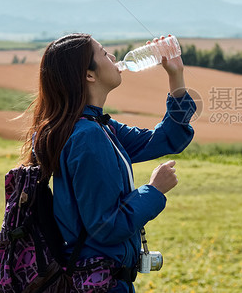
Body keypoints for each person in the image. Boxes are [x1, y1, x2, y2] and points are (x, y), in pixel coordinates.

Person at [21, 33, 196, 292]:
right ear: (89, 75)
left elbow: (167, 139)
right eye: (103, 53)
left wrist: (175, 76)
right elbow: (106, 226)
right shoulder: (87, 137)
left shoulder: (97, 127)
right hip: (100, 284)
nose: (114, 58)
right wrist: (154, 190)